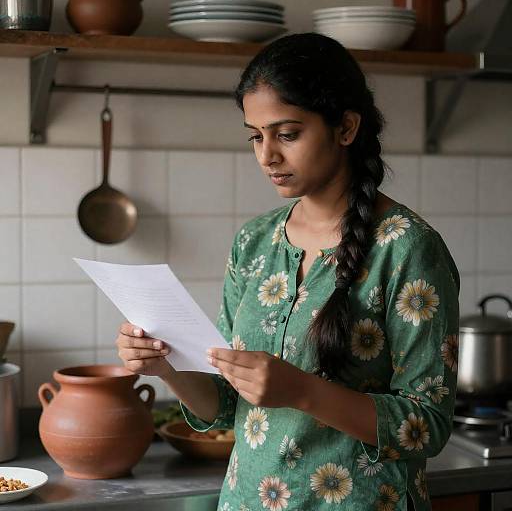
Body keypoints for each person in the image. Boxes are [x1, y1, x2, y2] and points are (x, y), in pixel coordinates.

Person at [116, 33, 460, 511]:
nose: (266, 155)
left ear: (345, 128)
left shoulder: (407, 248)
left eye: (287, 133)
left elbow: (428, 426)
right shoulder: (254, 243)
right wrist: (166, 365)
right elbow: (225, 407)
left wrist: (301, 390)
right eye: (256, 135)